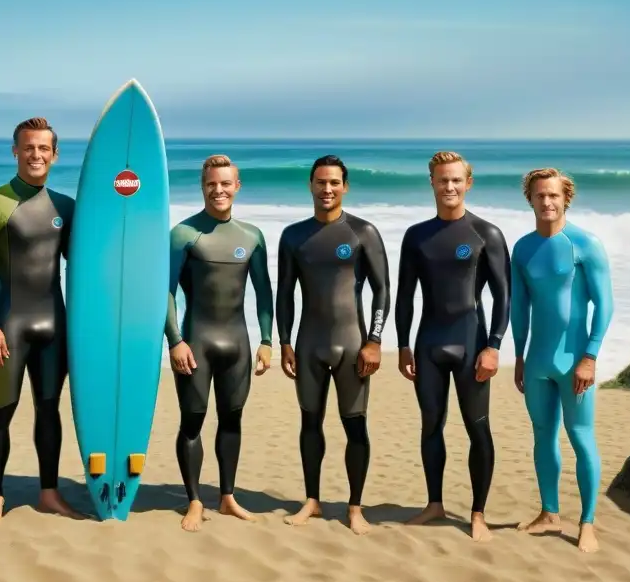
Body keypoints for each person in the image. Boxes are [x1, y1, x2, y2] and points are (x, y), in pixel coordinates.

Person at [0, 117, 81, 527]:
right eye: (28, 147)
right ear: (15, 151)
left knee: (49, 410)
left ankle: (49, 493)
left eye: (43, 148)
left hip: (55, 326)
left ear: (54, 154)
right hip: (9, 325)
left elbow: (85, 264)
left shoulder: (66, 207)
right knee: (1, 410)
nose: (36, 155)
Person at [394, 151, 511, 541]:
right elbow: (405, 295)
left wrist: (493, 346)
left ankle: (478, 513)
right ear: (432, 182)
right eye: (443, 180)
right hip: (428, 344)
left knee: (478, 428)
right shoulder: (416, 236)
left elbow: (503, 297)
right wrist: (403, 346)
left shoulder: (487, 234)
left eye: (457, 180)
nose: (450, 187)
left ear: (468, 183)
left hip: (471, 343)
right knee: (431, 426)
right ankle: (434, 504)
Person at [276, 154, 391, 535]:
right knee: (310, 423)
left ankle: (355, 507)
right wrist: (285, 342)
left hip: (353, 344)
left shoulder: (363, 232)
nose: (327, 189)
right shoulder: (293, 236)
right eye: (321, 182)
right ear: (310, 185)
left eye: (334, 183)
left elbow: (382, 290)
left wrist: (374, 340)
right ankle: (312, 500)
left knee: (355, 426)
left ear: (345, 186)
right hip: (308, 344)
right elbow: (284, 295)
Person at [165, 154, 275, 532]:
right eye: (212, 184)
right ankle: (195, 500)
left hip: (238, 344)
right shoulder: (183, 234)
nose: (219, 190)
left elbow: (264, 293)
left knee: (232, 419)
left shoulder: (252, 236)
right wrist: (175, 341)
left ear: (237, 186)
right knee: (192, 421)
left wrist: (266, 340)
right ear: (203, 186)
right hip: (196, 341)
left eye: (226, 183)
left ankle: (227, 496)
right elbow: (163, 292)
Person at [510, 167, 613, 553]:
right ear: (530, 199)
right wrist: (517, 355)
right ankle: (549, 512)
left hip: (574, 360)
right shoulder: (522, 248)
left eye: (554, 195)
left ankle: (587, 521)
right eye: (540, 196)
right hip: (537, 361)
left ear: (565, 197)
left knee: (581, 437)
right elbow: (519, 307)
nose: (547, 202)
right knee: (542, 435)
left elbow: (605, 304)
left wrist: (590, 356)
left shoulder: (585, 244)